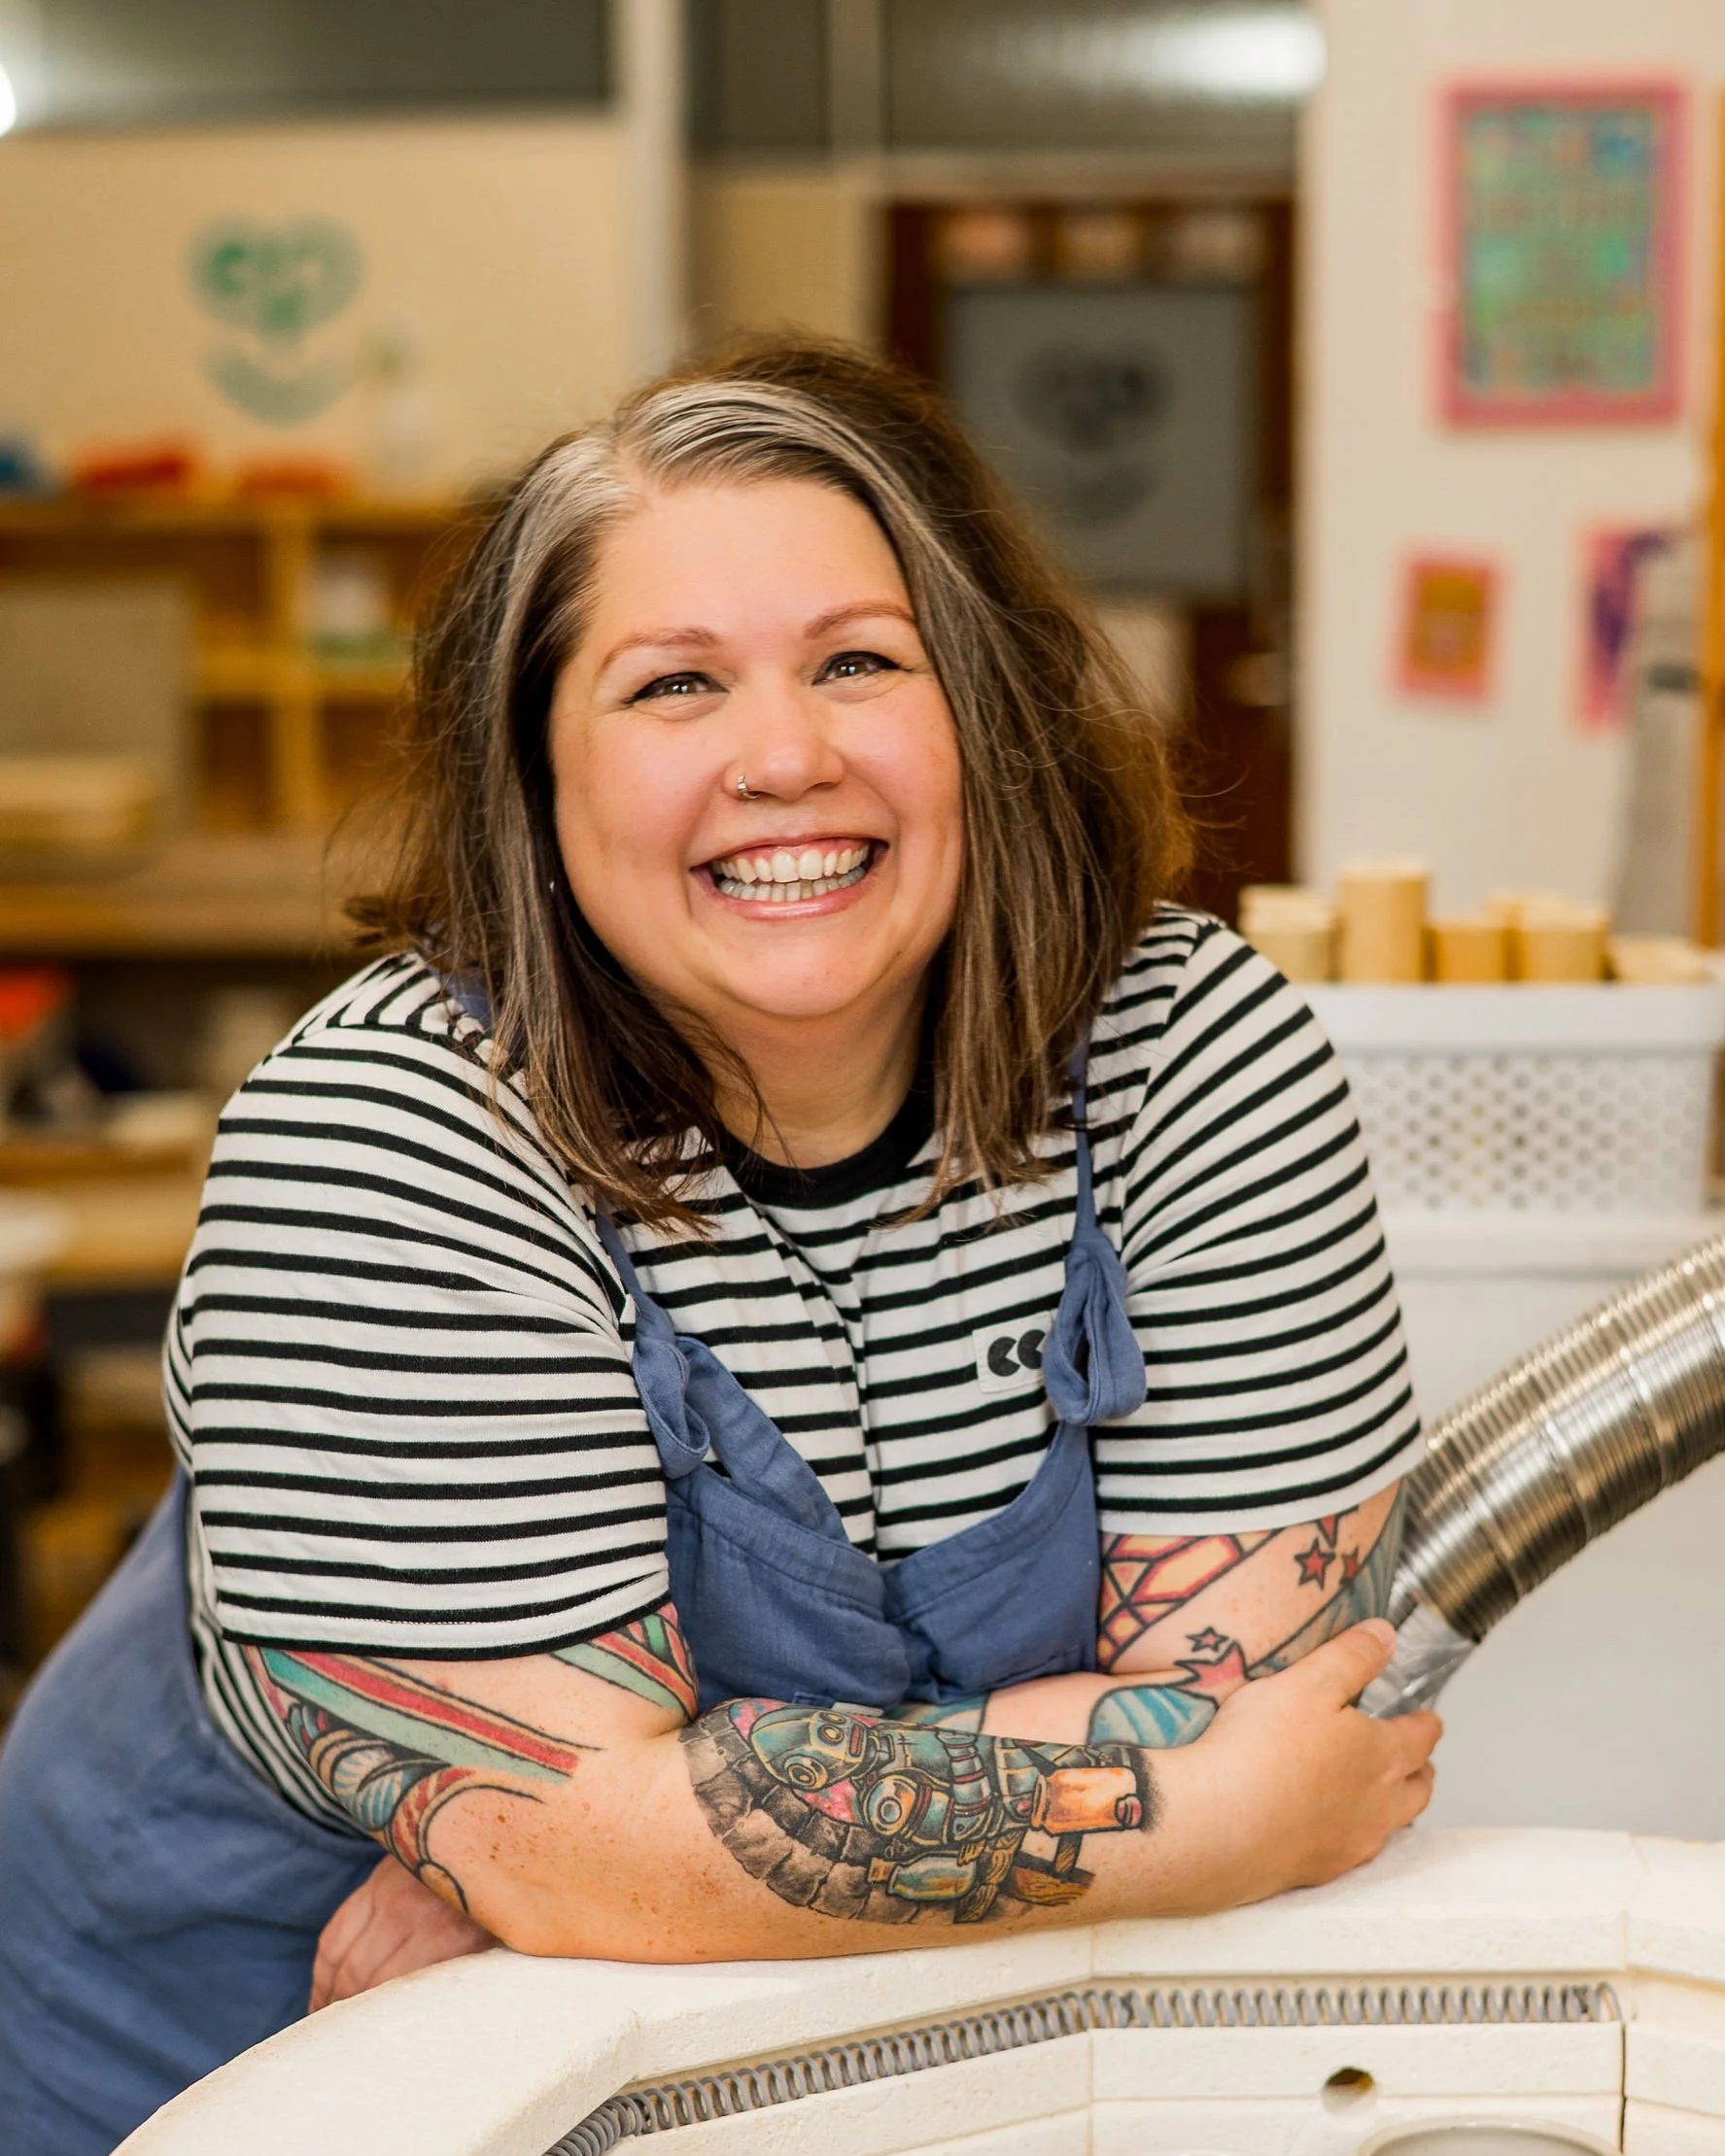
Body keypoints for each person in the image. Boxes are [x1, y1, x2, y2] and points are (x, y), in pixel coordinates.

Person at [0, 337, 1439, 2155]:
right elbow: (586, 1844)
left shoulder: (1191, 1053)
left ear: (982, 713)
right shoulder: (391, 1135)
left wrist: (618, 1850)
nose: (784, 756)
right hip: (241, 2045)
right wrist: (1193, 1817)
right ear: (535, 775)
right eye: (673, 684)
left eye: (859, 661)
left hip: (877, 2054)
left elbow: (1289, 1705)